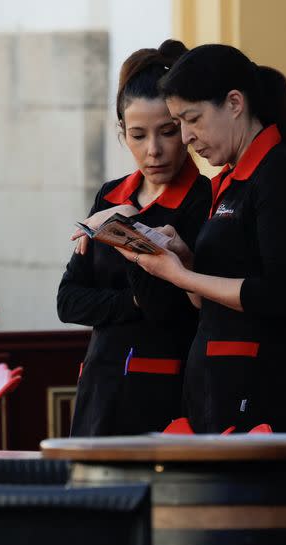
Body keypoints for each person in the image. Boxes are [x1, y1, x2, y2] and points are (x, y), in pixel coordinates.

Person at [120, 44, 286, 433]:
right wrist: (184, 260)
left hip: (259, 386)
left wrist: (181, 276)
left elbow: (282, 297)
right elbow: (206, 300)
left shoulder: (280, 178)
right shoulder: (230, 181)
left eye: (192, 119)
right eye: (179, 122)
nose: (186, 137)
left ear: (234, 103)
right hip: (214, 383)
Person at [57, 40, 212, 436]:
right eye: (139, 136)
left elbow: (171, 308)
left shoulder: (203, 199)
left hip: (162, 393)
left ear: (185, 127)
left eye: (167, 132)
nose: (154, 151)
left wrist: (126, 230)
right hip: (97, 387)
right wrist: (134, 301)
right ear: (122, 133)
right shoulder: (110, 195)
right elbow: (68, 301)